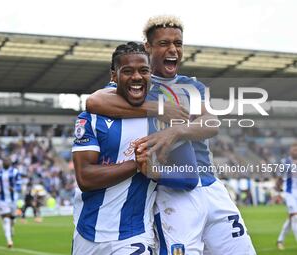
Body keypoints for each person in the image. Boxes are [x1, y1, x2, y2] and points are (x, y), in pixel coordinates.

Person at [86, 15, 256, 255]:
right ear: (148, 47)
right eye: (164, 43)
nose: (173, 49)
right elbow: (94, 101)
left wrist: (178, 130)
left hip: (210, 186)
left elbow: (211, 123)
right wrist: (160, 109)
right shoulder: (138, 84)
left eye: (178, 43)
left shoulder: (192, 85)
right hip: (171, 193)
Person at [72, 42, 198, 255]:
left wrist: (156, 172)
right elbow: (85, 178)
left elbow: (189, 177)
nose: (137, 77)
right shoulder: (93, 118)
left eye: (144, 70)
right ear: (114, 76)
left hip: (134, 235)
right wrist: (137, 165)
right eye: (127, 71)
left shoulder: (165, 122)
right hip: (86, 232)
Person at [0, 157, 21, 248]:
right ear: (2, 162)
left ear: (10, 162)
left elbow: (19, 185)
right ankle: (9, 241)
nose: (6, 162)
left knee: (12, 219)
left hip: (13, 200)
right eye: (5, 160)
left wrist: (14, 189)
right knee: (6, 219)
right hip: (3, 200)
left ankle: (12, 227)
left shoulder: (15, 172)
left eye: (7, 160)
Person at [276, 142, 297, 250]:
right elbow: (279, 178)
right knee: (295, 217)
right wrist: (277, 192)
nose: (295, 151)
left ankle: (280, 240)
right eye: (294, 149)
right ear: (290, 150)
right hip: (289, 193)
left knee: (291, 219)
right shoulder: (285, 162)